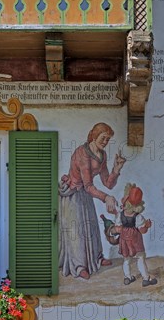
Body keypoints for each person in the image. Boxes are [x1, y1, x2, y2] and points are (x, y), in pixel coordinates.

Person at [58, 123, 126, 280]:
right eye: (103, 138)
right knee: (78, 230)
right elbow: (88, 185)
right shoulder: (82, 153)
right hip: (73, 194)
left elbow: (108, 183)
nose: (105, 141)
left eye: (108, 139)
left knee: (92, 226)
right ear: (94, 136)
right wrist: (106, 197)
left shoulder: (102, 155)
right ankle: (79, 265)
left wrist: (116, 169)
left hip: (86, 193)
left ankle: (96, 258)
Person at [112, 183, 157, 287]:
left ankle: (127, 277)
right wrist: (147, 226)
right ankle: (146, 279)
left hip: (124, 240)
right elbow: (142, 231)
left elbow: (118, 228)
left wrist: (123, 231)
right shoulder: (138, 217)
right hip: (135, 240)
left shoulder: (120, 214)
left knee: (126, 259)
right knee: (140, 258)